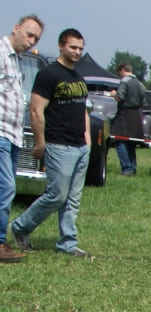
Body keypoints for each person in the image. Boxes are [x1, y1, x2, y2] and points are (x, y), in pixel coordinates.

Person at [9, 26, 91, 258]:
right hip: (59, 144)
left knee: (72, 200)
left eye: (80, 49)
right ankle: (21, 226)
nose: (77, 52)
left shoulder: (79, 78)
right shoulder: (48, 75)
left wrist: (87, 140)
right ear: (61, 46)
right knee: (56, 195)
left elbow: (83, 109)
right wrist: (40, 143)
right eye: (73, 47)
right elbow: (36, 111)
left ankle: (68, 243)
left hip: (80, 146)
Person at [0, 13, 43, 263]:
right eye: (29, 34)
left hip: (14, 135)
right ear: (15, 28)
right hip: (1, 133)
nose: (31, 41)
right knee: (6, 188)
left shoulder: (17, 60)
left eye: (36, 38)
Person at [110, 59, 143, 176]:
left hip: (124, 114)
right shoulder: (140, 83)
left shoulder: (125, 81)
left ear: (123, 70)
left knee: (119, 141)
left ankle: (126, 168)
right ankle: (133, 169)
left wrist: (113, 94)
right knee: (131, 143)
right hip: (136, 115)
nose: (120, 75)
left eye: (119, 73)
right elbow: (144, 102)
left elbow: (120, 97)